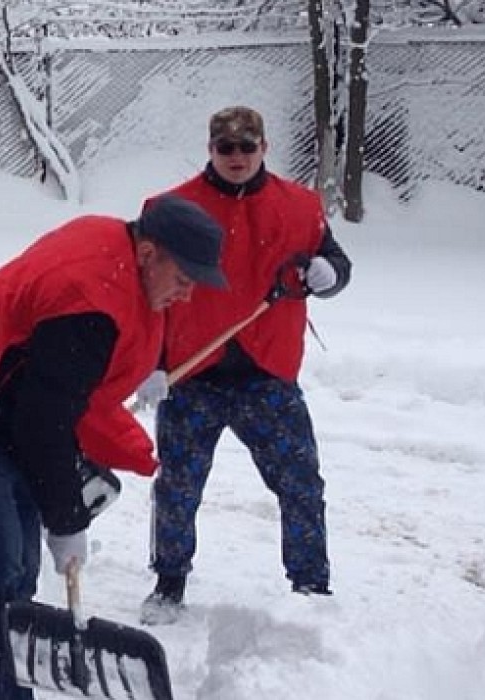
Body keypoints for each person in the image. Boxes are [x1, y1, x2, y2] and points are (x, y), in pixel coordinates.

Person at [0, 197, 226, 700]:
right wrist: (68, 519)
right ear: (147, 252)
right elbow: (44, 424)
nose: (185, 296)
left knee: (20, 564)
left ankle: (4, 686)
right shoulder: (90, 302)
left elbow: (61, 392)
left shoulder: (116, 248)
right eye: (183, 280)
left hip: (0, 408)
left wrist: (151, 363)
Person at [140, 105, 353, 622]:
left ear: (264, 147)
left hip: (268, 374)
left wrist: (330, 273)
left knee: (301, 481)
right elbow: (140, 287)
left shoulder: (300, 207)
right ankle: (169, 582)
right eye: (225, 148)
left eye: (246, 147)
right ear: (210, 150)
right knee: (178, 483)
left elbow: (336, 264)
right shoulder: (172, 208)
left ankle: (310, 585)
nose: (237, 157)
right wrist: (146, 362)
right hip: (193, 373)